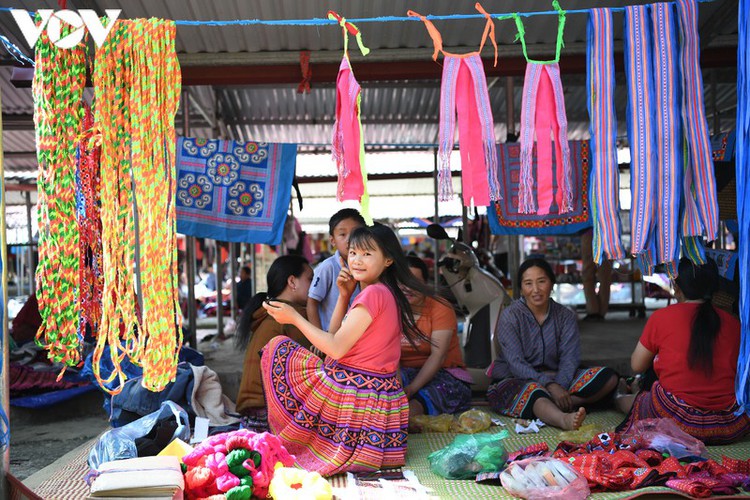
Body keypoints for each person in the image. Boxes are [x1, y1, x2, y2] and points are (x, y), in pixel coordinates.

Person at [261, 223, 439, 476]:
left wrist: (295, 318)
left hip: (357, 396)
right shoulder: (382, 292)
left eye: (367, 254)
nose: (357, 260)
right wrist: (343, 296)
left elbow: (333, 348)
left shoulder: (373, 294)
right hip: (379, 399)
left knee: (279, 349)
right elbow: (334, 339)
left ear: (388, 260)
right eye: (353, 252)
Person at [615, 257, 750, 444]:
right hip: (729, 423)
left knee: (638, 400)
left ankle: (619, 396)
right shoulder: (734, 323)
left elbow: (637, 365)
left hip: (678, 420)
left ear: (676, 288)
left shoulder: (662, 317)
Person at [487, 258, 618, 430]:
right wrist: (550, 385)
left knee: (609, 377)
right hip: (516, 379)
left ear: (552, 283)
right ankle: (563, 419)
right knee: (534, 392)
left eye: (542, 281)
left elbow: (569, 359)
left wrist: (560, 386)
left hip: (556, 376)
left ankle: (562, 403)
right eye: (528, 283)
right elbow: (516, 364)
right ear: (521, 288)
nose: (536, 290)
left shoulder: (565, 316)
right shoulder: (511, 316)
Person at [234, 255, 313, 430]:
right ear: (292, 281)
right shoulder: (288, 317)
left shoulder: (269, 312)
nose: (314, 286)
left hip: (250, 417)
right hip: (268, 416)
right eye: (310, 279)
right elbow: (317, 361)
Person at [400, 256, 472, 422]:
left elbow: (437, 356)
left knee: (430, 395)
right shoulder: (389, 306)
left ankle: (402, 421)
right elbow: (390, 356)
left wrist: (411, 389)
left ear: (425, 284)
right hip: (403, 373)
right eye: (402, 281)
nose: (407, 288)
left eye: (414, 282)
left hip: (443, 373)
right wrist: (397, 388)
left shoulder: (440, 307)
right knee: (383, 389)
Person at [306, 208, 366, 331]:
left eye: (355, 233)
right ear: (333, 241)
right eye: (342, 234)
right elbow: (312, 303)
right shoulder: (328, 267)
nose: (349, 239)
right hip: (332, 337)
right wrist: (318, 338)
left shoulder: (368, 265)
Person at [580, 228, 613, 321]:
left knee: (588, 275)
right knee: (605, 276)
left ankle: (593, 310)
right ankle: (601, 310)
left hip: (589, 231)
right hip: (607, 232)